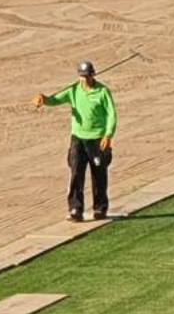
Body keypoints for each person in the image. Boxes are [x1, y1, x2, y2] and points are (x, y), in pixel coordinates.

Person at [34, 60, 118, 222]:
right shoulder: (73, 91)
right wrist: (43, 99)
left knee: (99, 174)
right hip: (78, 139)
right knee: (76, 173)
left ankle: (100, 208)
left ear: (93, 75)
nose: (86, 79)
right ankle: (75, 208)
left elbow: (112, 115)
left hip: (98, 139)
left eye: (88, 76)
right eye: (83, 76)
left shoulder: (102, 92)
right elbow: (55, 100)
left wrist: (108, 135)